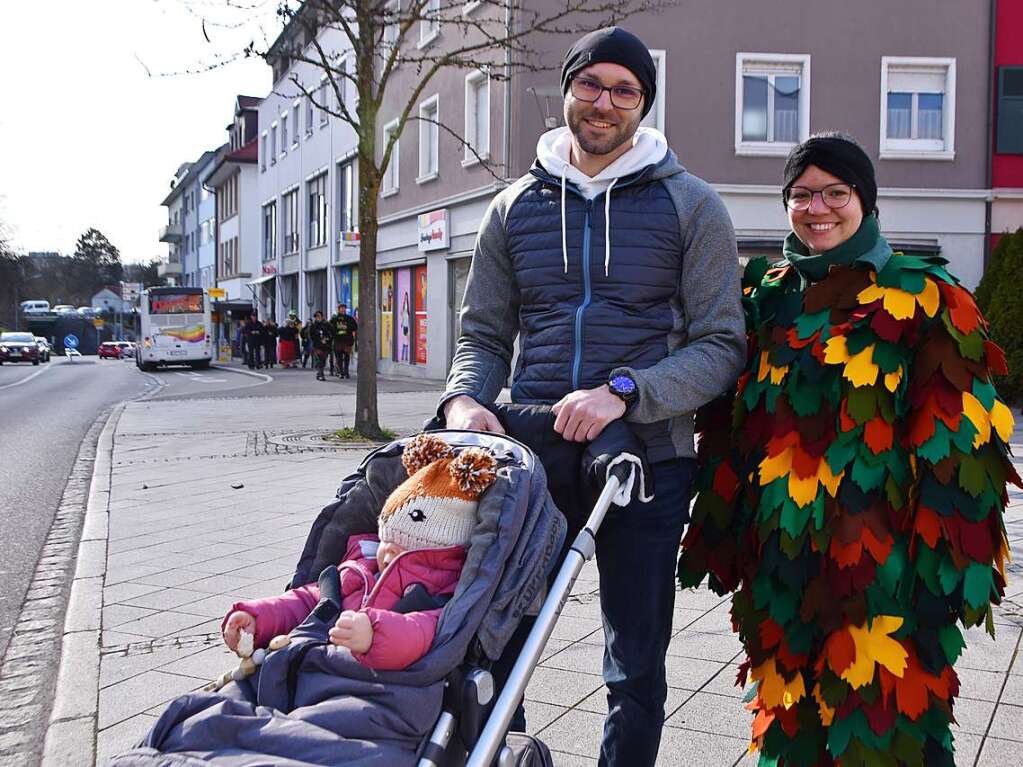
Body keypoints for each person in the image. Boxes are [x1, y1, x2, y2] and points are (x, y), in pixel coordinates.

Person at [440, 27, 745, 766]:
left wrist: (625, 392)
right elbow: (481, 332)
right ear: (568, 90)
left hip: (647, 460)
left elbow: (721, 345)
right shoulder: (512, 207)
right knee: (491, 640)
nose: (603, 102)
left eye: (623, 90)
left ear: (642, 104)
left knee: (633, 661)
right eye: (591, 84)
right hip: (532, 455)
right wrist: (462, 401)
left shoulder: (691, 205)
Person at [678, 133, 1019, 767]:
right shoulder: (767, 297)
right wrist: (720, 532)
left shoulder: (926, 298)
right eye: (802, 194)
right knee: (789, 730)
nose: (819, 208)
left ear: (866, 200)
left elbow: (962, 453)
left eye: (837, 192)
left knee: (884, 738)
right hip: (780, 565)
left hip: (885, 571)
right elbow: (729, 423)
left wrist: (947, 576)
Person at [222, 434, 498, 669]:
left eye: (405, 547)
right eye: (386, 540)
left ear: (438, 552)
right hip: (309, 668)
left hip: (375, 688)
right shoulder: (359, 568)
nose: (388, 553)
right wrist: (258, 618)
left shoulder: (441, 593)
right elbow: (307, 601)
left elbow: (422, 631)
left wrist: (373, 635)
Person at [329, 302, 358, 379]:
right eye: (341, 308)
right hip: (338, 340)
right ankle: (341, 371)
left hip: (347, 340)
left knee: (347, 357)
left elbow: (354, 328)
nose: (343, 310)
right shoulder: (334, 319)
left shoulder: (349, 319)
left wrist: (353, 337)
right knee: (338, 357)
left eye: (344, 308)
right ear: (338, 309)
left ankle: (346, 371)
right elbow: (330, 329)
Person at [308, 310, 333, 381]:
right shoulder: (313, 325)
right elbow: (311, 335)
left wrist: (327, 339)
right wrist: (317, 341)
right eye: (316, 317)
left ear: (322, 317)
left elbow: (331, 332)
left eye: (319, 316)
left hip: (326, 345)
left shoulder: (326, 324)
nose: (318, 318)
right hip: (317, 345)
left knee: (323, 360)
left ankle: (319, 373)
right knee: (319, 359)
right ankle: (321, 374)